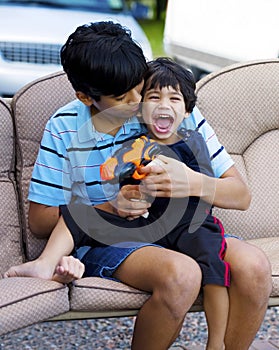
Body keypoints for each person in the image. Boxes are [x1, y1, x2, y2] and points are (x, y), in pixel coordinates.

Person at [5, 21, 271, 350]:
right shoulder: (65, 127)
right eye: (121, 97)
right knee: (182, 275)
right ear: (85, 96)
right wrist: (110, 205)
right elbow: (40, 220)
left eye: (139, 86)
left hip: (182, 228)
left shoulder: (168, 104)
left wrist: (191, 181)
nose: (137, 102)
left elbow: (240, 195)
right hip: (109, 236)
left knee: (255, 267)